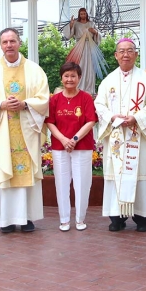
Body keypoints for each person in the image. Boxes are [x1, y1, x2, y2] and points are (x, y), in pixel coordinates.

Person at [0, 28, 50, 233]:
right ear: (0, 45)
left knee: (26, 172)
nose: (9, 45)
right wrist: (1, 105)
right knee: (5, 172)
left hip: (26, 130)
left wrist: (25, 104)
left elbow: (44, 98)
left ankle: (27, 218)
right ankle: (7, 220)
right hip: (2, 131)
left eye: (12, 41)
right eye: (5, 42)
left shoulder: (34, 70)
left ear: (19, 42)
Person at [95, 38, 146, 232]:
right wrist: (112, 117)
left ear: (136, 54)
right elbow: (100, 105)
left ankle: (142, 218)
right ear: (116, 55)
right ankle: (117, 217)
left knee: (139, 175)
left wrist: (137, 118)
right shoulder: (108, 82)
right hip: (116, 135)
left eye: (130, 51)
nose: (126, 54)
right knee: (116, 175)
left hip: (137, 135)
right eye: (122, 51)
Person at [46, 62, 97, 232]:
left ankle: (80, 218)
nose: (70, 79)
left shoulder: (86, 98)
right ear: (61, 78)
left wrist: (74, 139)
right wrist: (63, 139)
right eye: (66, 76)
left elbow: (90, 120)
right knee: (61, 183)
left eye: (73, 76)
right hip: (60, 147)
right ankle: (64, 219)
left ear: (79, 78)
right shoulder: (55, 99)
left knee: (82, 183)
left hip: (82, 146)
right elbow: (50, 122)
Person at [63, 7, 107, 94]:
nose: (83, 15)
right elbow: (68, 35)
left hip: (90, 46)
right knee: (80, 65)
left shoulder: (91, 23)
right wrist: (71, 25)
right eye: (81, 14)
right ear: (79, 15)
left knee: (90, 67)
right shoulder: (76, 23)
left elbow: (98, 35)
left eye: (84, 13)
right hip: (80, 47)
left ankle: (90, 88)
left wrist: (95, 32)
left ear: (86, 14)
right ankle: (80, 87)